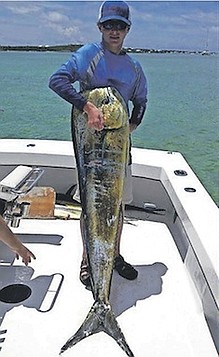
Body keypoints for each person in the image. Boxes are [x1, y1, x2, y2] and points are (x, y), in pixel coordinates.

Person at [49, 0, 147, 287]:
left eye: (120, 26)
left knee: (117, 205)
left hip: (119, 151)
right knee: (91, 205)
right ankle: (87, 259)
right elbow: (57, 80)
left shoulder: (134, 67)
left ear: (127, 29)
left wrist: (129, 128)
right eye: (108, 25)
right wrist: (86, 106)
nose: (113, 31)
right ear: (100, 27)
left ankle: (114, 255)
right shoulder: (88, 55)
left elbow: (140, 101)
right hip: (91, 150)